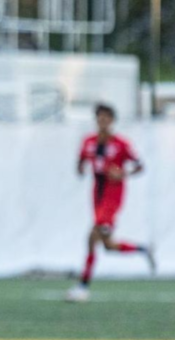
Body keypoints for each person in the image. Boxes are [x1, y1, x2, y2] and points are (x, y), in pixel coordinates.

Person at [65, 103, 155, 303]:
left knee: (92, 236)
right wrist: (80, 168)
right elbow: (81, 162)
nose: (102, 122)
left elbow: (140, 166)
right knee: (107, 245)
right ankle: (143, 249)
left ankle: (83, 286)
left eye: (106, 118)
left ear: (112, 121)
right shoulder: (88, 141)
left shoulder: (121, 144)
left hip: (113, 197)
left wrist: (123, 173)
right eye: (99, 118)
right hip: (96, 194)